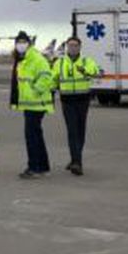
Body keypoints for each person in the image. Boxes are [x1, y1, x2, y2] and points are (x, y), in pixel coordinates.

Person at [52, 36, 101, 176]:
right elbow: (53, 79)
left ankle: (75, 157)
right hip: (67, 100)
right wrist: (48, 93)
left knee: (80, 131)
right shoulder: (59, 63)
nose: (72, 48)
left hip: (83, 100)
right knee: (72, 131)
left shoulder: (87, 61)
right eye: (70, 45)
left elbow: (96, 72)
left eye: (75, 45)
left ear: (80, 47)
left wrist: (85, 70)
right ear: (67, 47)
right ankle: (77, 163)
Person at [9, 31, 55, 179]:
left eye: (23, 42)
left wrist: (35, 91)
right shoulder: (23, 60)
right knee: (36, 135)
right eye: (18, 42)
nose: (20, 45)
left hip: (36, 104)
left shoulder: (35, 58)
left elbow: (46, 77)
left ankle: (35, 167)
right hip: (30, 105)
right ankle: (42, 166)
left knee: (32, 137)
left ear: (29, 43)